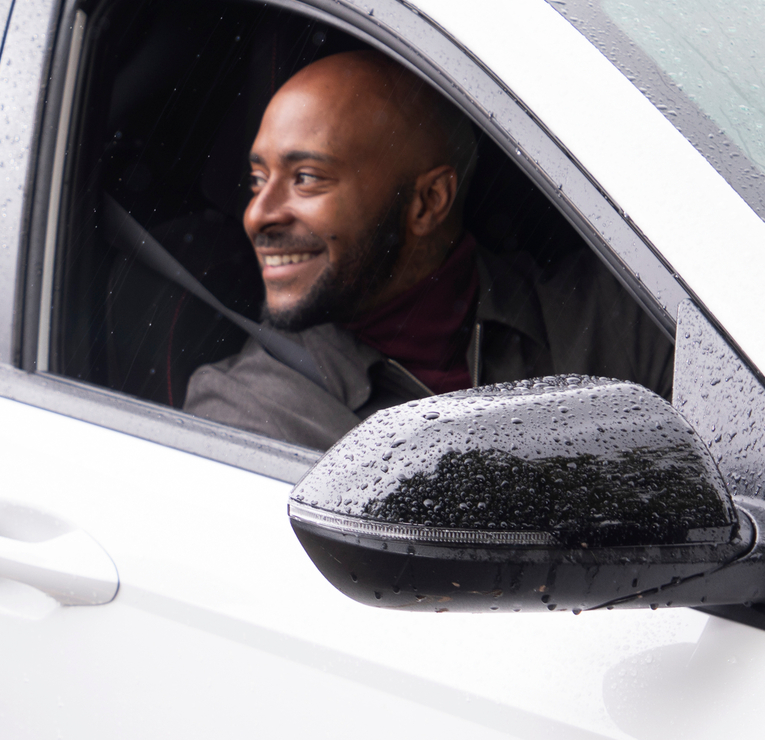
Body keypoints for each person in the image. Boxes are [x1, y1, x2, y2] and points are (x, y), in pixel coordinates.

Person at [183, 50, 673, 449]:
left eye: (306, 178)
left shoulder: (614, 322)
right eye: (257, 179)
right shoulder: (251, 413)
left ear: (428, 202)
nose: (257, 215)